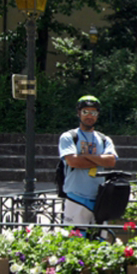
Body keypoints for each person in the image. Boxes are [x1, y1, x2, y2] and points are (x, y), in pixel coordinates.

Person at [59, 95, 118, 225]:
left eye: (93, 112)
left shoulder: (104, 139)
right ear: (79, 113)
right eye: (85, 112)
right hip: (76, 196)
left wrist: (84, 155)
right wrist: (99, 159)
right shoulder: (69, 137)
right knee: (74, 240)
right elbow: (73, 162)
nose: (89, 116)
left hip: (100, 198)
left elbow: (111, 161)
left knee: (100, 240)